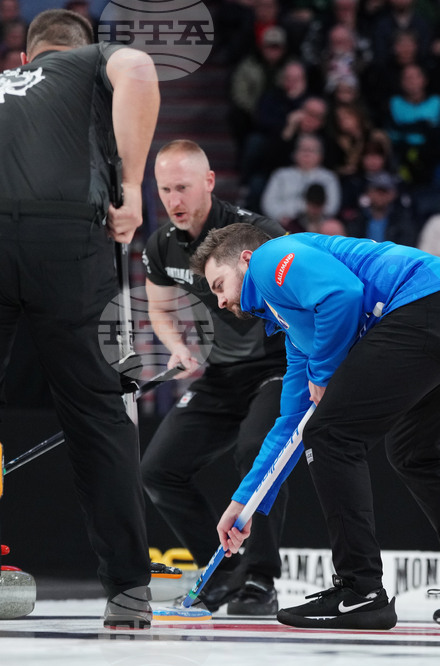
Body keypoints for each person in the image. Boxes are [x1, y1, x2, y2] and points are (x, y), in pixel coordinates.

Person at [0, 9, 159, 631]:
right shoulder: (89, 65)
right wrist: (134, 187)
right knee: (96, 407)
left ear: (27, 57)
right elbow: (138, 66)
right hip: (62, 233)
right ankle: (128, 590)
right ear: (78, 53)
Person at [190, 223, 440, 630]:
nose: (219, 302)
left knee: (331, 436)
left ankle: (360, 591)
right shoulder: (297, 330)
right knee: (413, 452)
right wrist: (245, 504)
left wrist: (324, 374)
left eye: (219, 285)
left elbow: (341, 294)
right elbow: (290, 425)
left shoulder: (271, 258)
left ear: (245, 259)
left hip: (433, 302)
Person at [140, 140, 288, 616]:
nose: (174, 201)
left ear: (209, 182)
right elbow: (160, 306)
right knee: (157, 471)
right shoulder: (162, 244)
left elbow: (303, 297)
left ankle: (260, 580)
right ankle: (223, 571)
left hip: (278, 366)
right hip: (222, 373)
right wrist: (177, 346)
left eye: (182, 187)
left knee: (253, 450)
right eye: (165, 190)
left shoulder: (256, 233)